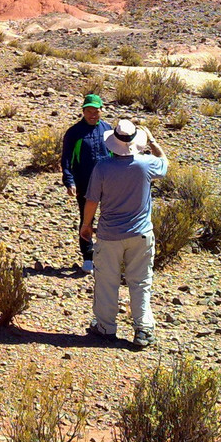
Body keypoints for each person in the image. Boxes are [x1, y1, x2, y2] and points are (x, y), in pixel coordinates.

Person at [80, 119, 167, 348]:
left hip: (109, 235)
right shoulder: (146, 164)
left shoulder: (103, 167)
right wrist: (153, 140)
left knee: (106, 281)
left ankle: (105, 327)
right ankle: (143, 330)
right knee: (140, 281)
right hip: (141, 234)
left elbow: (92, 200)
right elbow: (164, 164)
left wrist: (86, 225)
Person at [61, 94, 111, 274]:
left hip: (108, 183)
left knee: (110, 218)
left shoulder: (108, 130)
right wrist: (69, 180)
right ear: (83, 111)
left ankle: (107, 255)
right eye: (89, 111)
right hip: (85, 183)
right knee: (87, 218)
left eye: (96, 111)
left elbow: (117, 154)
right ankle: (88, 256)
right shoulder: (74, 132)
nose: (92, 115)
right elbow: (66, 159)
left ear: (101, 111)